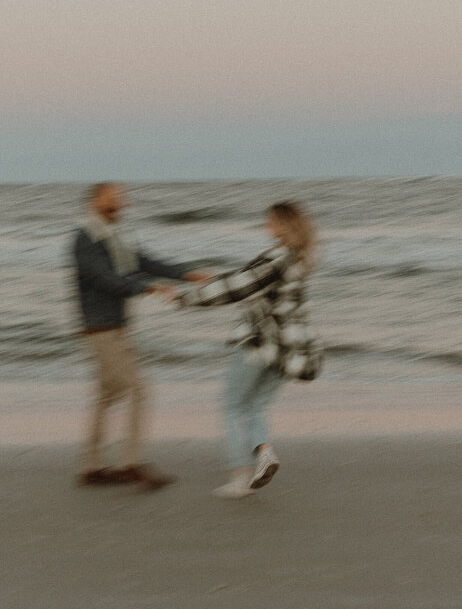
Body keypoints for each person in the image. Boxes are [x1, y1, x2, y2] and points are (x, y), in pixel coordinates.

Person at [178, 200, 321, 498]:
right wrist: (211, 280)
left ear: (283, 225)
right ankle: (265, 454)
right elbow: (244, 280)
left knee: (230, 407)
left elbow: (239, 287)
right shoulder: (295, 259)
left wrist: (185, 299)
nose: (264, 225)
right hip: (288, 350)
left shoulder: (276, 260)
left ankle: (238, 479)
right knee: (255, 406)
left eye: (269, 221)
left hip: (260, 345)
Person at [72, 182, 207, 490]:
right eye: (114, 198)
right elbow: (105, 279)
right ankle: (129, 465)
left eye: (121, 198)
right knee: (138, 391)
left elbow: (146, 262)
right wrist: (146, 287)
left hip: (112, 326)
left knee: (107, 396)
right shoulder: (86, 239)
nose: (121, 203)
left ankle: (90, 468)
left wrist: (188, 273)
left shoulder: (114, 238)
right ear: (94, 203)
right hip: (100, 328)